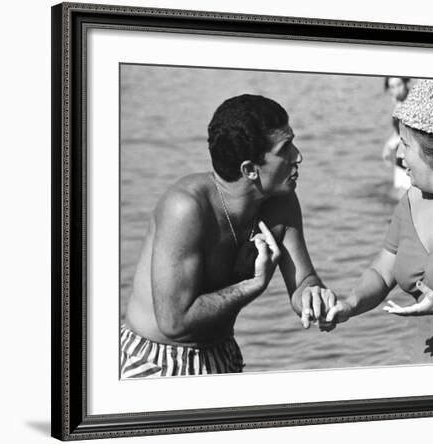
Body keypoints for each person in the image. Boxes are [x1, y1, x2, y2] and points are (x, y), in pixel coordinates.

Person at [121, 94, 336, 378]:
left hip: (224, 357)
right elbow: (174, 322)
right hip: (155, 363)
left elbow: (303, 280)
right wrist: (254, 285)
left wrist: (313, 296)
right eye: (285, 149)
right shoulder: (186, 207)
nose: (298, 156)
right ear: (249, 169)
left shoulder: (281, 201)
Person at [317, 79, 433, 362]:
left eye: (405, 144)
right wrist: (349, 304)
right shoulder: (410, 201)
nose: (398, 154)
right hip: (419, 370)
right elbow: (382, 273)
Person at [382, 77, 412, 199]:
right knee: (398, 197)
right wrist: (387, 146)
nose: (396, 90)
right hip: (399, 158)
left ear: (405, 83)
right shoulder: (398, 102)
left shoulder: (412, 103)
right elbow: (397, 132)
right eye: (392, 87)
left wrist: (390, 144)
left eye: (398, 85)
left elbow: (409, 134)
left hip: (410, 160)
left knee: (405, 199)